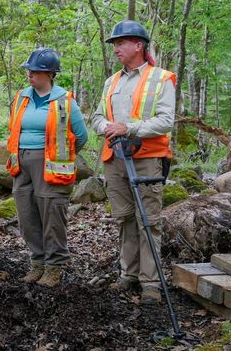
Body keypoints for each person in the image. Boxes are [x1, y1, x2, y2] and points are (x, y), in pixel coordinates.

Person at [91, 20, 176, 304]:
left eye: (120, 43)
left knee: (148, 221)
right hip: (115, 158)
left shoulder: (160, 78)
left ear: (138, 45)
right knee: (125, 218)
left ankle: (151, 283)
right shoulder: (111, 81)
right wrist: (108, 128)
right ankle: (129, 274)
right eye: (114, 44)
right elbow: (97, 118)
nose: (116, 48)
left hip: (147, 159)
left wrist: (128, 127)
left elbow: (165, 121)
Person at [6, 48, 88, 287]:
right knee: (27, 214)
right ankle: (37, 262)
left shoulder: (65, 101)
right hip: (21, 164)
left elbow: (80, 137)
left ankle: (54, 267)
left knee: (52, 215)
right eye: (29, 70)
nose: (30, 74)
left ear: (50, 74)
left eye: (36, 71)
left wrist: (58, 155)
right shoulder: (22, 97)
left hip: (50, 166)